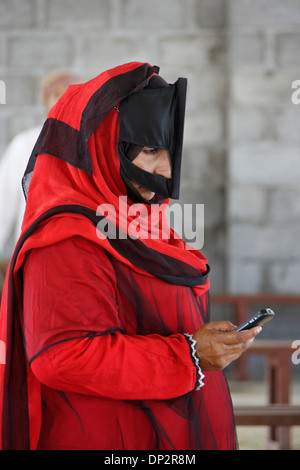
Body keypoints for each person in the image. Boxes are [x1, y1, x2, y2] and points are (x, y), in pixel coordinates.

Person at [0, 62, 261, 450]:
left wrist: (204, 344)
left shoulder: (143, 222)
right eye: (151, 150)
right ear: (102, 145)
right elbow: (62, 355)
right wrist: (187, 355)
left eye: (169, 150)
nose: (167, 169)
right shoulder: (67, 237)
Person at [0, 72, 81, 259]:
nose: (64, 99)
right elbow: (3, 203)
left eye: (72, 94)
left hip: (81, 256)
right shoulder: (24, 144)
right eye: (56, 93)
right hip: (34, 254)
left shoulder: (93, 146)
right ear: (46, 101)